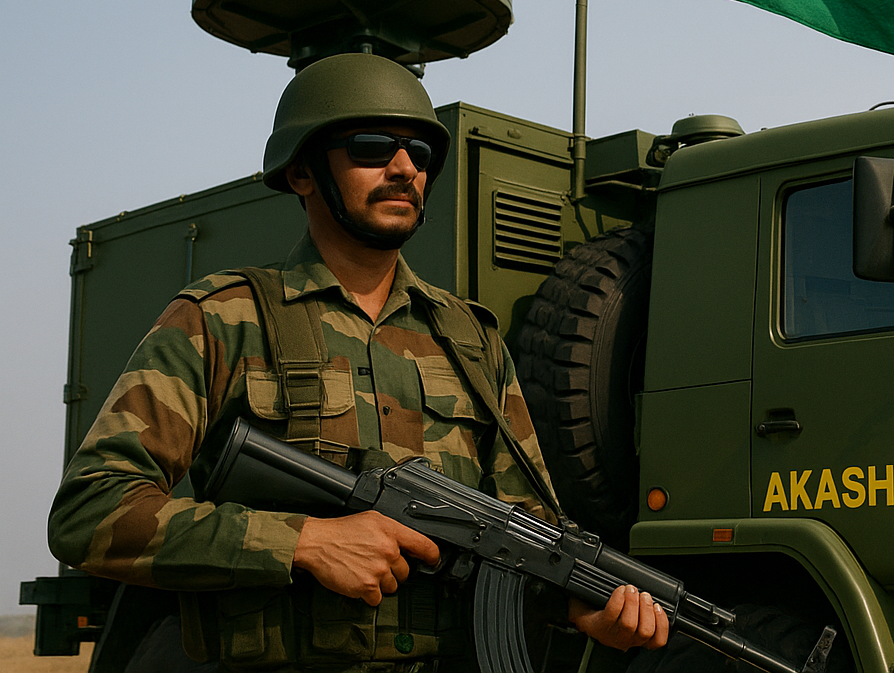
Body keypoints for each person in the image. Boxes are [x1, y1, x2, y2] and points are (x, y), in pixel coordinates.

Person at [47, 52, 668, 672]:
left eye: (421, 155)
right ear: (302, 172)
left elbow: (527, 537)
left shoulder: (473, 341)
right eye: (373, 146)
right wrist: (303, 543)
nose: (404, 168)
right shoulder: (226, 318)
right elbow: (90, 511)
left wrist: (581, 606)